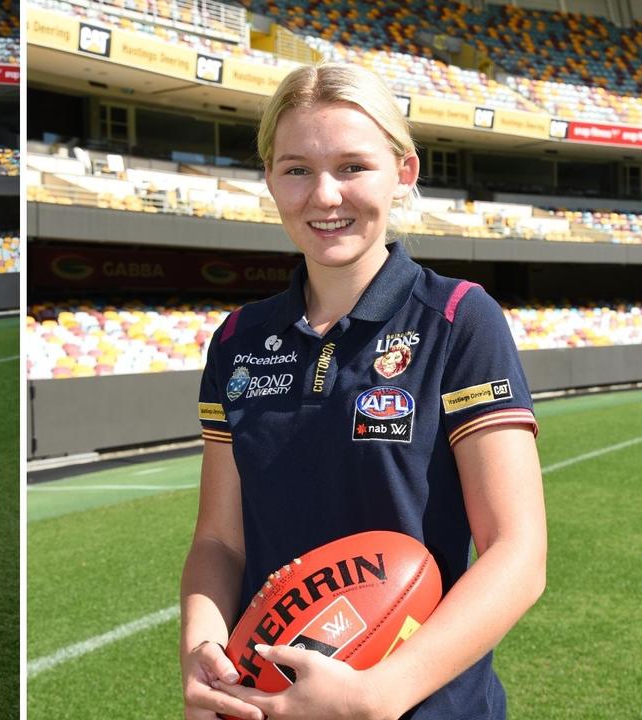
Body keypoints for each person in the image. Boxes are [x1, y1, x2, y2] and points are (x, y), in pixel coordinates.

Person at [180, 63, 546, 720]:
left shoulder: (461, 319)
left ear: (403, 173)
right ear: (269, 177)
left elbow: (518, 553)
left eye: (352, 167)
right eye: (296, 169)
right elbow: (219, 542)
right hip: (269, 704)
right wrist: (203, 651)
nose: (324, 196)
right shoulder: (237, 339)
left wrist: (381, 693)